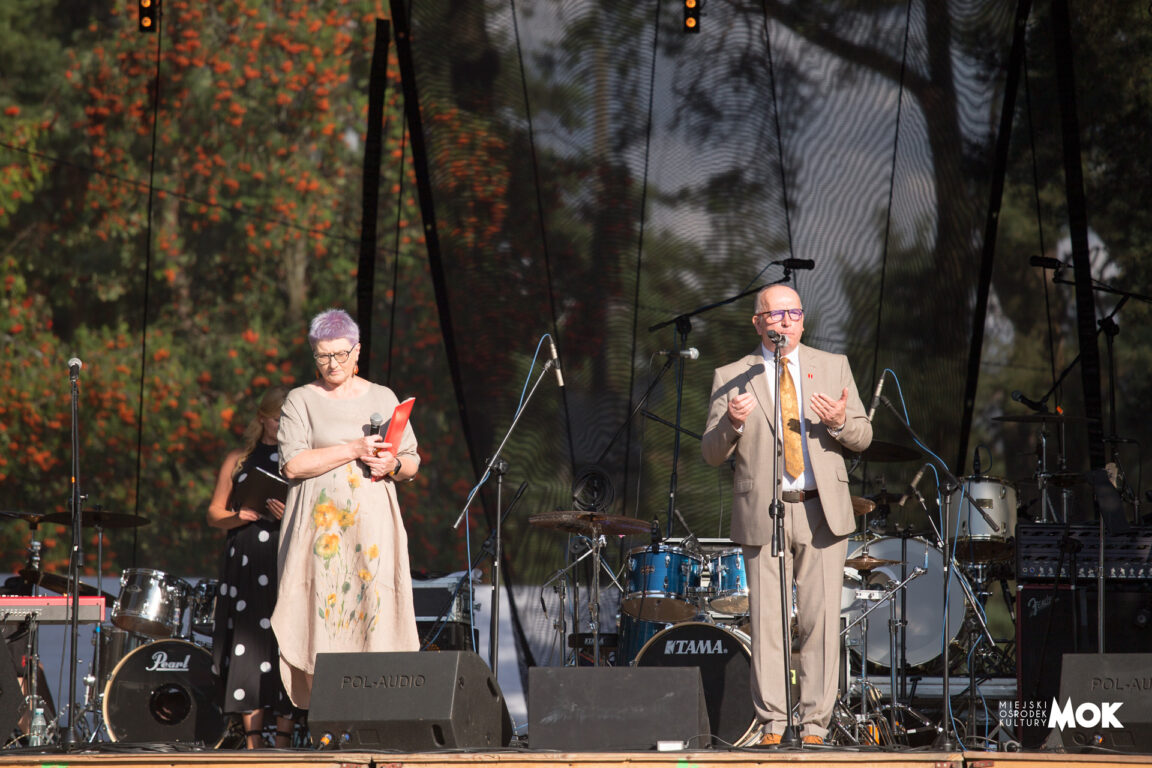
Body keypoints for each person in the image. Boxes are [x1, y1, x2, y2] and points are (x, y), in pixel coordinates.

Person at [701, 284, 872, 746]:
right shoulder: (733, 375)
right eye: (775, 315)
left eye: (793, 313)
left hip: (821, 510)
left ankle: (816, 726)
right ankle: (774, 724)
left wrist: (839, 420)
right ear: (757, 322)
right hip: (765, 510)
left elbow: (863, 435)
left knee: (819, 622)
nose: (785, 322)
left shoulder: (832, 366)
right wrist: (732, 423)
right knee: (769, 623)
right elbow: (712, 452)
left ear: (803, 320)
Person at [271, 308, 420, 711]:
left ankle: (377, 711)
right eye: (323, 356)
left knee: (373, 609)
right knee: (325, 614)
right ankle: (329, 715)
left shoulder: (383, 397)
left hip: (371, 534)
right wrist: (354, 449)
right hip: (321, 537)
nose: (332, 364)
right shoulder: (300, 399)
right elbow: (294, 464)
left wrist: (392, 464)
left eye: (340, 354)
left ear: (357, 352)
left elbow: (411, 461)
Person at [206, 386, 296, 748]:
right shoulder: (238, 459)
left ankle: (287, 738)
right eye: (277, 418)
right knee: (248, 642)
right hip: (245, 556)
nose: (281, 425)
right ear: (262, 418)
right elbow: (214, 513)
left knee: (287, 642)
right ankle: (254, 740)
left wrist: (288, 514)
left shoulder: (299, 458)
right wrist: (237, 517)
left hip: (285, 556)